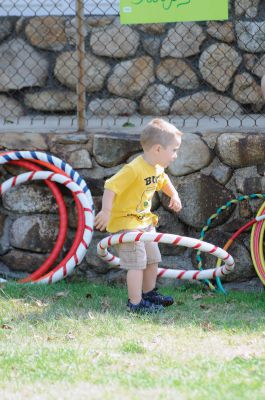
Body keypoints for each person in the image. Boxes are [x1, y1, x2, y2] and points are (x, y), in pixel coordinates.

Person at [95, 118, 183, 313]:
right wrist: (106, 211)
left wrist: (174, 194)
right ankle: (135, 304)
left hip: (144, 222)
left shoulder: (157, 167)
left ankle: (149, 293)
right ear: (158, 149)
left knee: (152, 259)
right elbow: (111, 186)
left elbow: (163, 180)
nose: (176, 155)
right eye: (174, 150)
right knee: (136, 264)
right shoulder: (134, 169)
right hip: (126, 224)